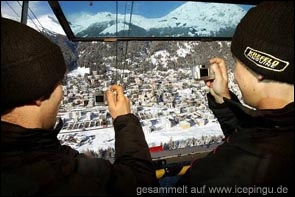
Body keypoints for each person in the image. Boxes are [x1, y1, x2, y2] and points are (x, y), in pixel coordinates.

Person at [1, 18, 158, 196]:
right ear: (39, 93)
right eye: (59, 82)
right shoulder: (57, 176)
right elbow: (141, 184)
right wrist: (124, 119)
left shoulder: (29, 152)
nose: (62, 92)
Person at [172, 1, 294, 195]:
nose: (235, 73)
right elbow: (256, 134)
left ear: (260, 67)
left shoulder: (217, 175)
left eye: (237, 62)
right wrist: (223, 99)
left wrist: (124, 121)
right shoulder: (278, 131)